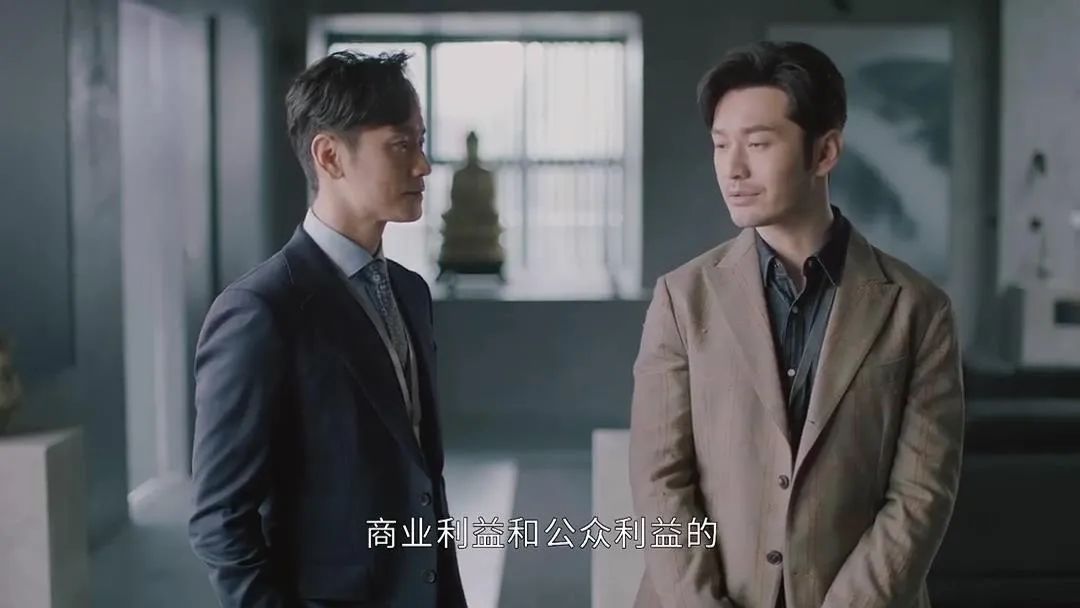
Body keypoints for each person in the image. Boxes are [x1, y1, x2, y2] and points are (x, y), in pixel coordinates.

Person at [629, 41, 964, 608]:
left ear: (824, 152)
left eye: (758, 144)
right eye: (721, 145)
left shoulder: (918, 308)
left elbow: (920, 495)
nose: (733, 168)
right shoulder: (682, 299)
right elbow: (659, 479)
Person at [188, 50, 467, 608]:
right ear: (330, 156)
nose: (424, 166)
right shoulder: (261, 310)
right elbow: (220, 522)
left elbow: (423, 481)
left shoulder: (410, 292)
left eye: (422, 141)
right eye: (401, 145)